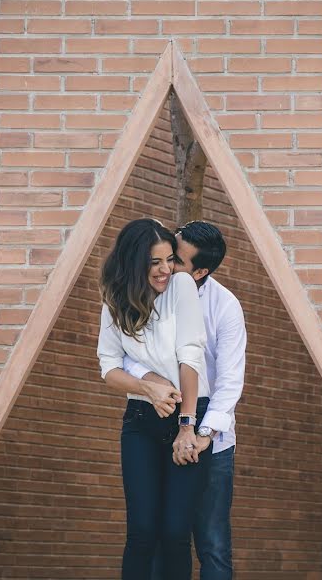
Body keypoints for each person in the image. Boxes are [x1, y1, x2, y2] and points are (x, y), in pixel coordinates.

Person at [124, 221, 246, 580]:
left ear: (201, 271)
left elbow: (229, 381)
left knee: (212, 545)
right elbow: (126, 351)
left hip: (212, 437)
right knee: (165, 536)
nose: (166, 266)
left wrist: (202, 434)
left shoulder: (225, 307)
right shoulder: (150, 293)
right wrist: (151, 380)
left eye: (176, 260)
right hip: (161, 426)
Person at [97, 218, 211, 580]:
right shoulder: (116, 298)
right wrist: (147, 386)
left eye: (169, 259)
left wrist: (186, 425)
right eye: (155, 262)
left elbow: (190, 355)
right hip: (141, 420)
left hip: (188, 412)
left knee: (176, 533)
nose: (166, 270)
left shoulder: (181, 286)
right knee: (142, 533)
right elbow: (108, 366)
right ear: (134, 263)